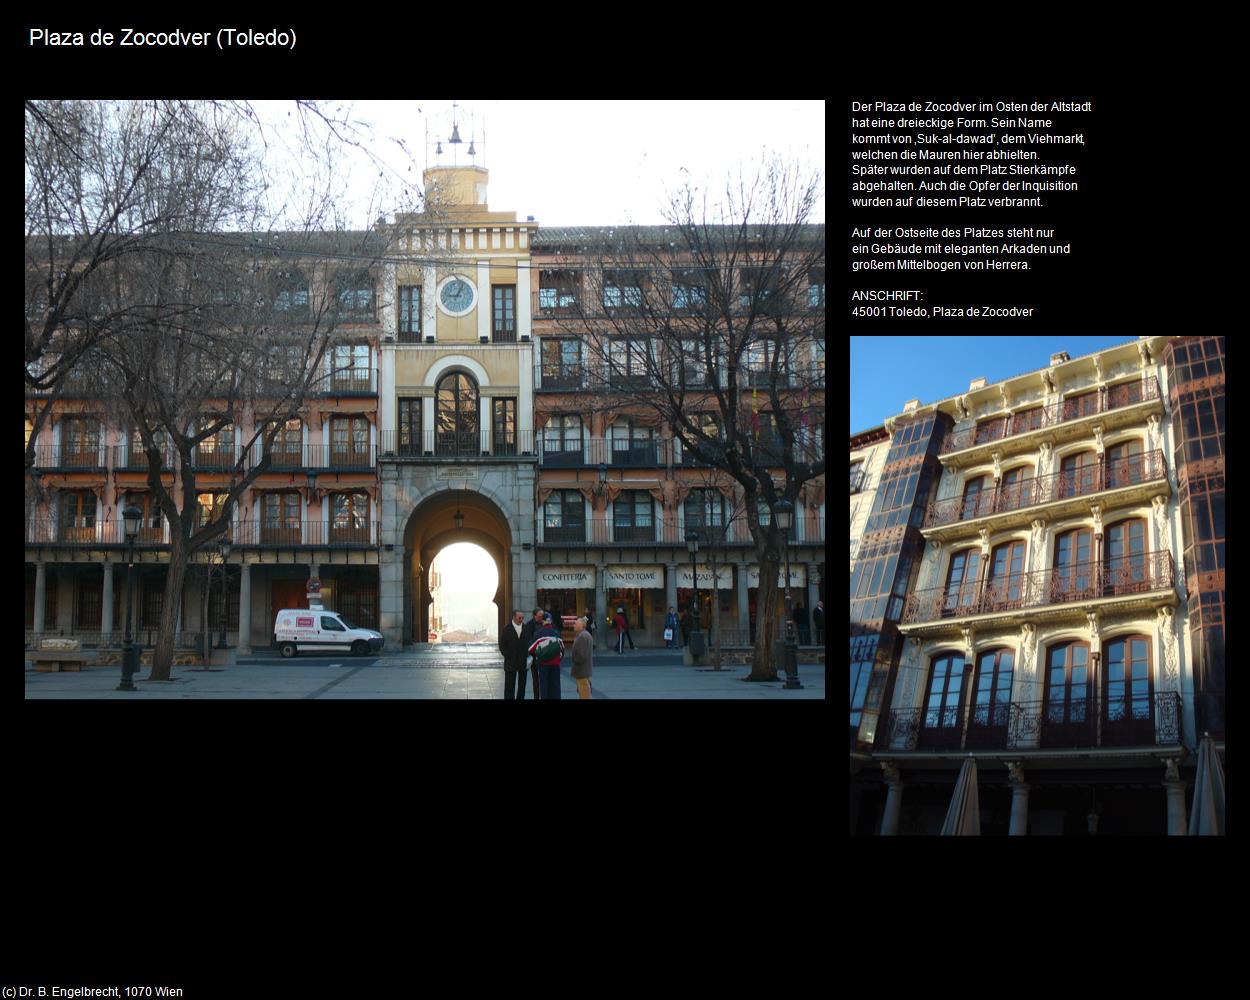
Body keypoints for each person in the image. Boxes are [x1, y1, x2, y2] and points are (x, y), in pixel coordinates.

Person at [528, 612, 564, 700]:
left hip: (543, 664)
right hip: (555, 664)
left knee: (544, 686)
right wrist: (558, 659)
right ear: (551, 621)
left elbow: (531, 649)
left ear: (543, 621)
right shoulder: (556, 633)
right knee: (555, 685)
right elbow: (562, 649)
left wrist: (538, 655)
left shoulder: (539, 633)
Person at [500, 609, 528, 700]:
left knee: (522, 686)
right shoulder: (507, 629)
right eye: (519, 617)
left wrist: (527, 655)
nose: (521, 619)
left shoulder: (525, 628)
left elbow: (529, 642)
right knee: (509, 686)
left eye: (522, 618)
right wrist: (507, 656)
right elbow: (502, 645)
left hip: (522, 662)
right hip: (510, 662)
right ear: (514, 617)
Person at [521, 607, 545, 699]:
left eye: (542, 616)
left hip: (545, 655)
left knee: (544, 679)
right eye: (539, 616)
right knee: (536, 679)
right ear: (534, 616)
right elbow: (528, 642)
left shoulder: (544, 623)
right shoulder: (529, 626)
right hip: (535, 656)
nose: (541, 618)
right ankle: (536, 697)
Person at [571, 616, 594, 699]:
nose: (574, 625)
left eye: (575, 624)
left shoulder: (582, 637)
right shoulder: (585, 635)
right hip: (585, 671)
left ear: (581, 626)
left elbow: (581, 655)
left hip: (582, 671)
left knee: (584, 695)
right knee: (585, 694)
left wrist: (574, 660)